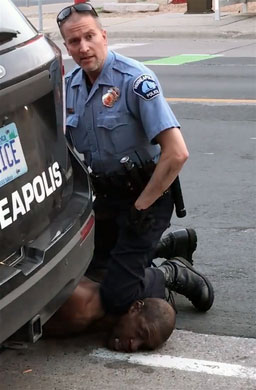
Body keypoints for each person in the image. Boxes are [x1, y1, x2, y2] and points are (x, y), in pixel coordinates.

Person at [56, 3, 214, 317]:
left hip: (147, 199)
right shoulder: (70, 88)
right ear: (66, 46)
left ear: (104, 35)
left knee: (116, 296)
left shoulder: (135, 80)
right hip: (107, 199)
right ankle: (165, 246)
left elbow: (177, 153)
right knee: (85, 269)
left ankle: (172, 272)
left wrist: (141, 207)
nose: (84, 47)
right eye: (74, 41)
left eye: (90, 36)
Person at [44, 276, 176, 353]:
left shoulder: (111, 324)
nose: (134, 346)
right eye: (140, 333)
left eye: (143, 347)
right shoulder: (81, 308)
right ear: (134, 309)